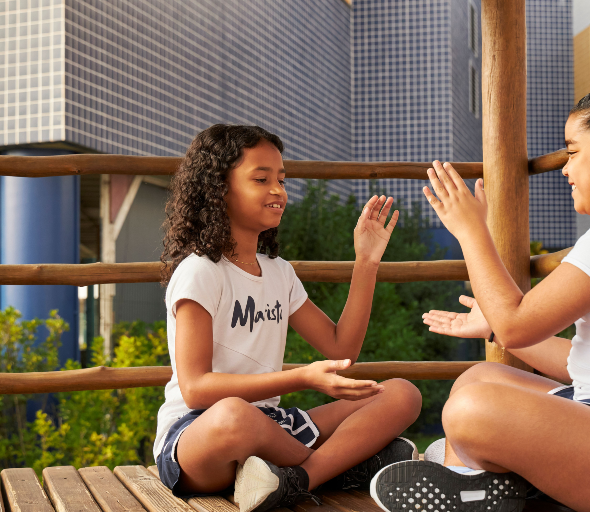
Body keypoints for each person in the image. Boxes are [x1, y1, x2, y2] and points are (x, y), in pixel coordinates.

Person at [369, 79, 590, 512]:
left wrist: (471, 231)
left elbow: (516, 324)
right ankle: (479, 489)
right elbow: (584, 362)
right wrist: (496, 327)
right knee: (479, 380)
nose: (564, 168)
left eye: (573, 151)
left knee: (471, 409)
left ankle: (473, 484)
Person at [154, 124, 422, 512]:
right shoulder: (200, 272)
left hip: (274, 427)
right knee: (234, 415)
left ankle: (295, 479)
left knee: (402, 394)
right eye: (261, 179)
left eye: (281, 179)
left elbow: (341, 348)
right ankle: (337, 465)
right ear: (219, 189)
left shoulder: (279, 273)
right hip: (201, 437)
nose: (278, 190)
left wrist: (366, 262)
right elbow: (195, 389)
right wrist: (301, 377)